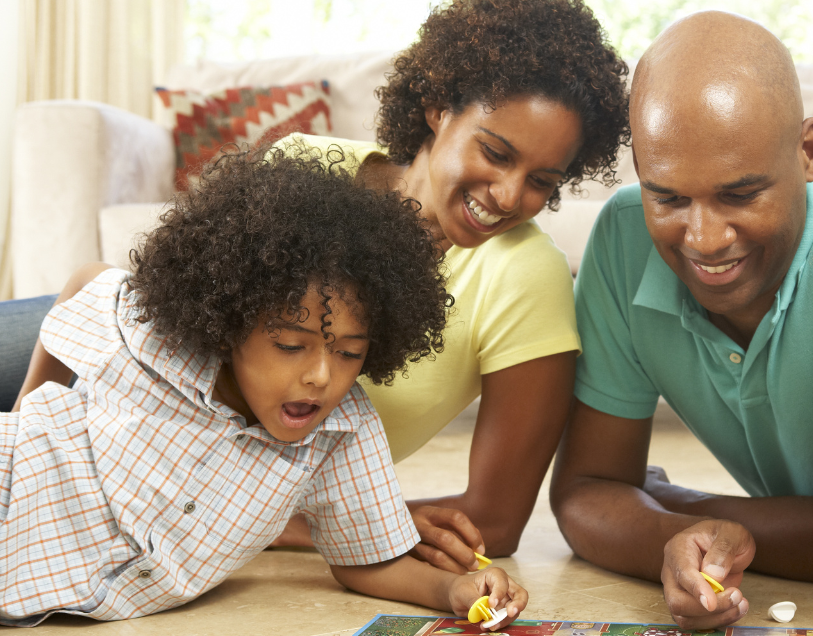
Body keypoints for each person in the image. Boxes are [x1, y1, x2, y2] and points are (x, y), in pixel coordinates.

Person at [0, 148, 527, 626]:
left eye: (348, 353)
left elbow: (370, 560)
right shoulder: (155, 338)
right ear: (230, 325)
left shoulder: (342, 434)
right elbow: (89, 281)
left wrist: (453, 589)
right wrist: (24, 412)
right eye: (291, 347)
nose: (321, 376)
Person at [549, 11, 813, 631]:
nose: (703, 239)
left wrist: (673, 502)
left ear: (810, 153)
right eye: (668, 197)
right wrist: (673, 538)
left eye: (739, 194)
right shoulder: (623, 239)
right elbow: (583, 494)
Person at [267, 0, 630, 571]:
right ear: (438, 108)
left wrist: (345, 521)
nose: (509, 196)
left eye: (541, 180)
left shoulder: (525, 276)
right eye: (495, 152)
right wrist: (367, 522)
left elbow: (496, 519)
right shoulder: (299, 171)